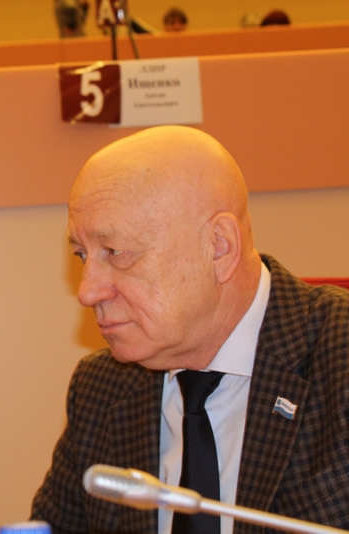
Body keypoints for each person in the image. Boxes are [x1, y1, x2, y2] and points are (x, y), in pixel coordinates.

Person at [30, 126, 349, 533]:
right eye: (82, 255)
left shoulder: (339, 356)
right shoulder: (101, 387)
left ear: (219, 247)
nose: (87, 291)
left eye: (116, 252)